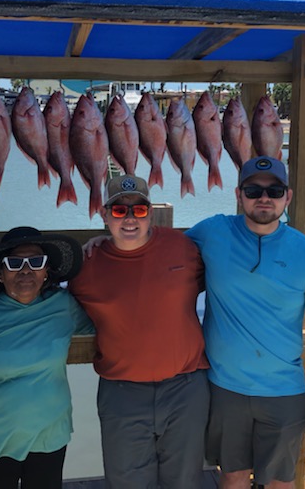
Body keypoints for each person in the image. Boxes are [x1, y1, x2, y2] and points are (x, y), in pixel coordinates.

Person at [186, 156, 305, 489]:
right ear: (238, 195)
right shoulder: (212, 232)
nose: (264, 198)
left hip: (284, 391)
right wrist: (103, 241)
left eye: (275, 190)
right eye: (254, 190)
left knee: (280, 483)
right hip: (224, 388)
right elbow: (159, 249)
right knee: (232, 477)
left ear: (288, 196)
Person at [69, 174, 209, 489]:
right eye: (119, 210)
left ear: (151, 214)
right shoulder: (86, 264)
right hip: (122, 393)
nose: (130, 219)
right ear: (104, 215)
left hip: (186, 388)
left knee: (185, 482)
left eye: (139, 210)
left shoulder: (182, 246)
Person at [0, 226, 94, 489]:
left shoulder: (63, 306)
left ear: (46, 271)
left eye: (36, 262)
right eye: (14, 264)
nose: (26, 270)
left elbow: (107, 328)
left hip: (50, 437)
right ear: (0, 274)